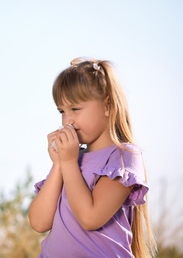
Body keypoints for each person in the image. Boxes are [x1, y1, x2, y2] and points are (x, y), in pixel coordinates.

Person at [28, 57, 157, 258]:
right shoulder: (70, 160)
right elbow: (39, 222)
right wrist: (59, 164)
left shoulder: (123, 157)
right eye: (62, 111)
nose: (67, 120)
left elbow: (90, 217)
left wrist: (69, 162)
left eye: (75, 109)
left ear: (107, 105)